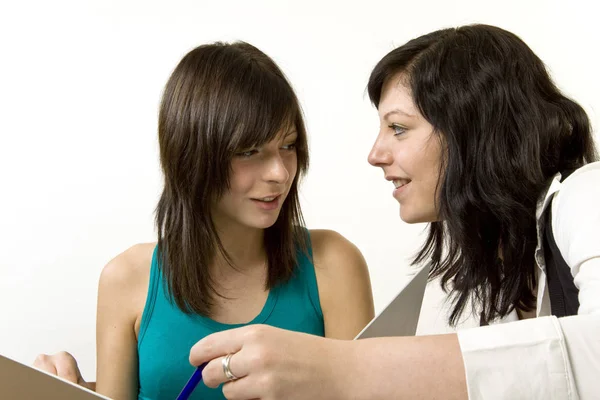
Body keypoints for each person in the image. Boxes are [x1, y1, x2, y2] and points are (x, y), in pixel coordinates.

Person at [37, 23, 600, 399]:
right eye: (250, 151)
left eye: (398, 128)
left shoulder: (586, 198)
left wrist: (339, 367)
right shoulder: (464, 284)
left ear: (476, 132)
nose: (375, 154)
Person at [34, 41, 374, 400]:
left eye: (288, 146)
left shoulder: (334, 264)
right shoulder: (125, 279)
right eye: (249, 151)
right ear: (192, 156)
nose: (279, 172)